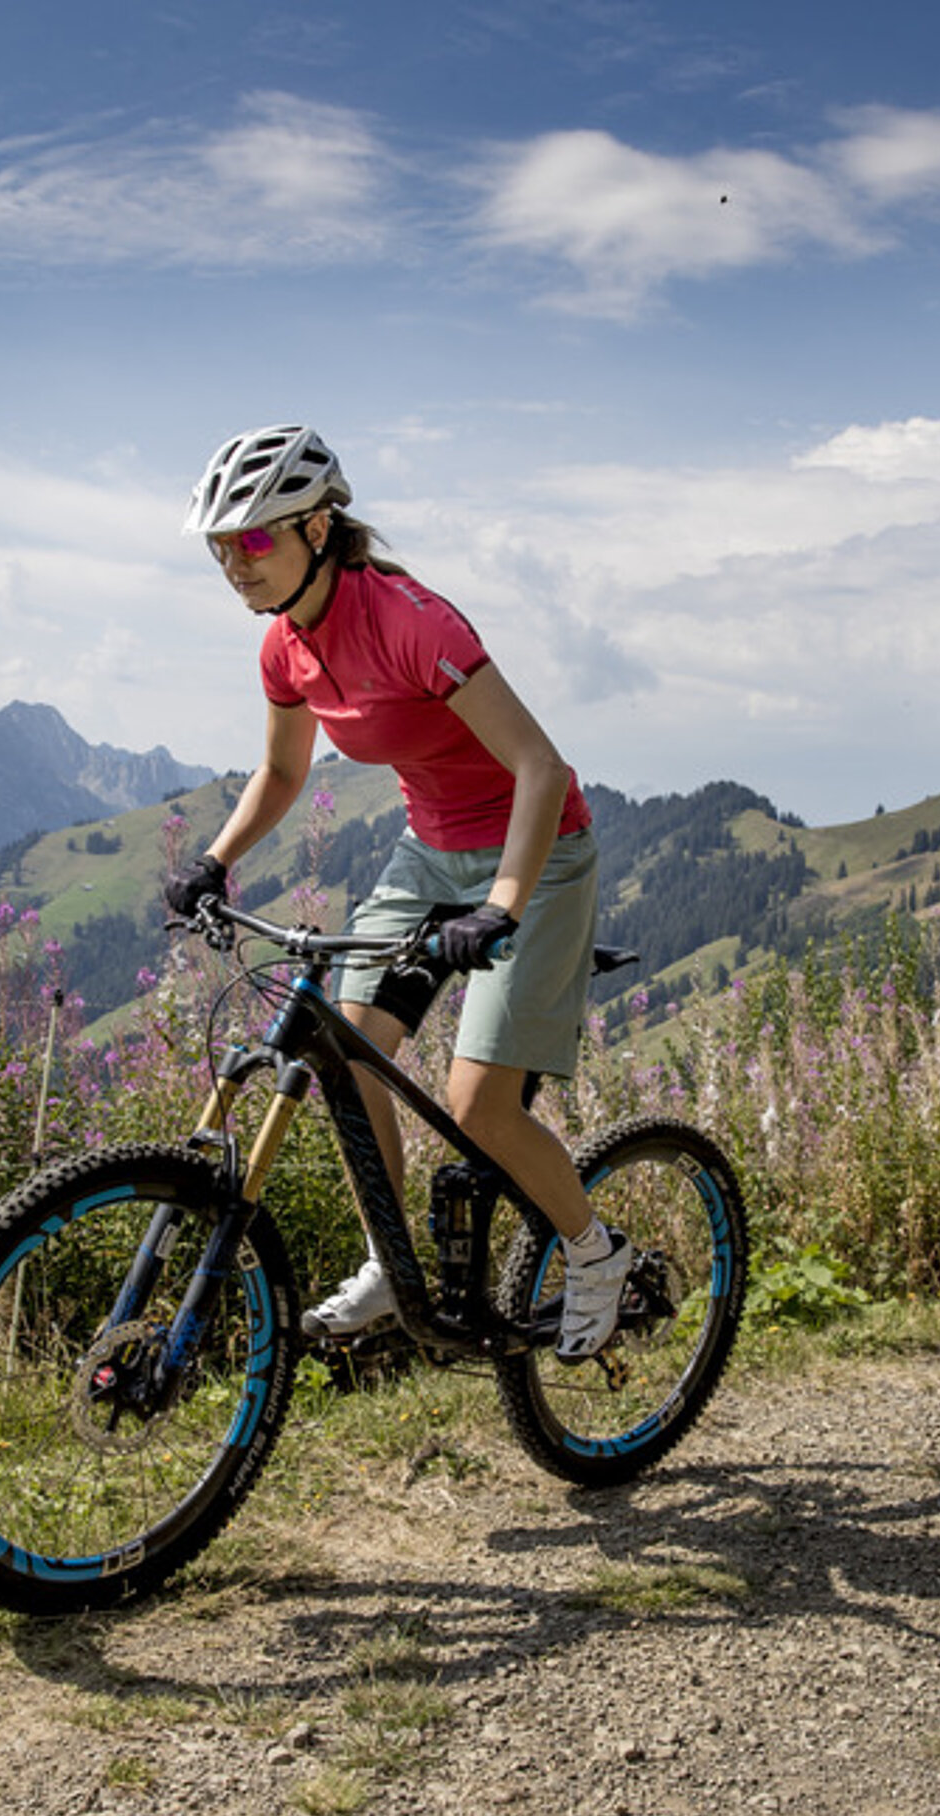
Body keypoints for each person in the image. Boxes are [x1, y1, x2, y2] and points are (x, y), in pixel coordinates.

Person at [163, 425, 630, 1362]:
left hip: (535, 852)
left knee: (478, 1108)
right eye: (222, 547)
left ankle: (596, 1254)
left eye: (257, 540)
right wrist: (214, 860)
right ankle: (392, 1261)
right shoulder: (285, 649)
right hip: (429, 853)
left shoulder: (415, 623)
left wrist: (500, 905)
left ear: (322, 528)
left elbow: (541, 768)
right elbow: (281, 774)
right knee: (349, 1050)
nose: (237, 565)